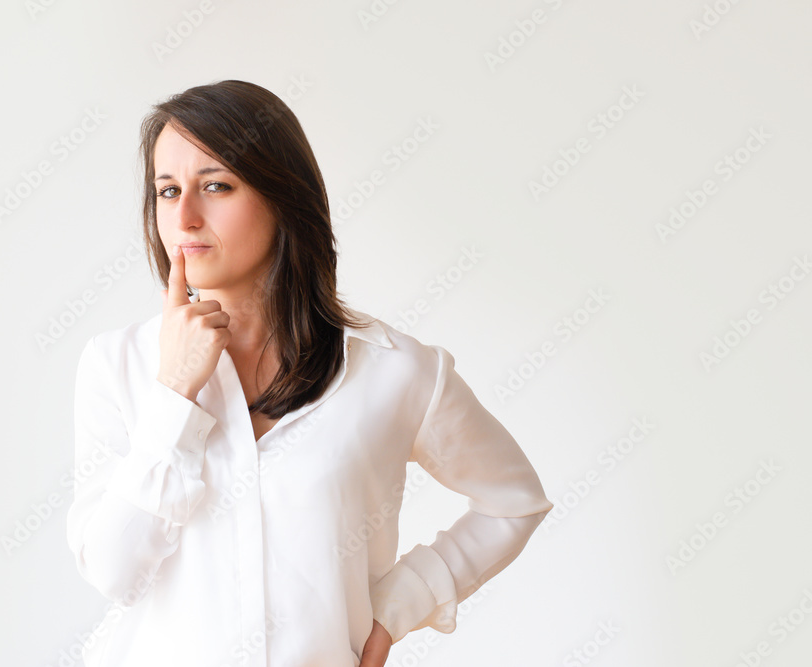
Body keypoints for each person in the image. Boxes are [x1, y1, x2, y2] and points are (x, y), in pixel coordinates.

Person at [65, 79, 554, 667]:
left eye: (216, 185)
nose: (185, 217)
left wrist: (399, 606)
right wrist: (175, 394)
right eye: (167, 191)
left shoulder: (394, 371)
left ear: (283, 195)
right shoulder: (117, 366)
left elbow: (513, 501)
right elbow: (113, 572)